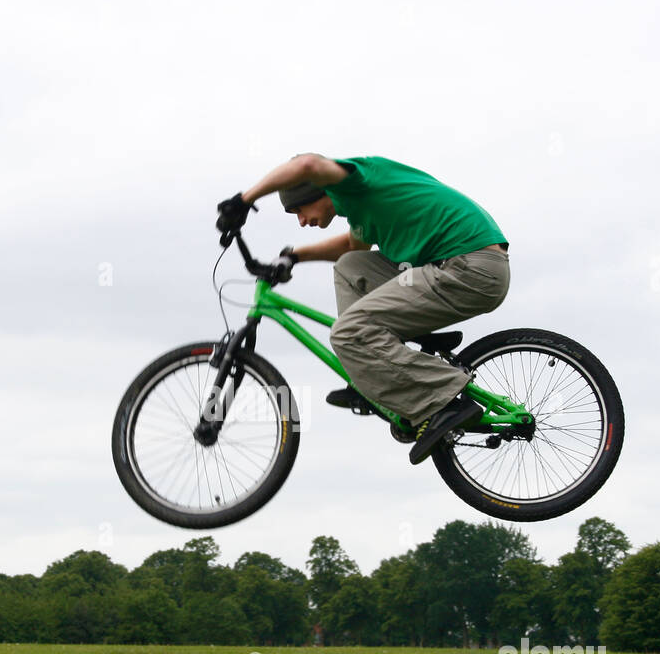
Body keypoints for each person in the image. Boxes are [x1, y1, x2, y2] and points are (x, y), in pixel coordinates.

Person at [215, 153, 510, 464]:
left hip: (469, 268)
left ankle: (446, 401)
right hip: (449, 266)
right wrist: (293, 256)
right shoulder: (359, 209)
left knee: (348, 332)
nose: (301, 221)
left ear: (316, 191)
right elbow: (351, 251)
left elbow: (307, 165)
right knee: (350, 267)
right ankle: (368, 375)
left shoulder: (354, 182)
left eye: (298, 210)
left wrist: (244, 200)